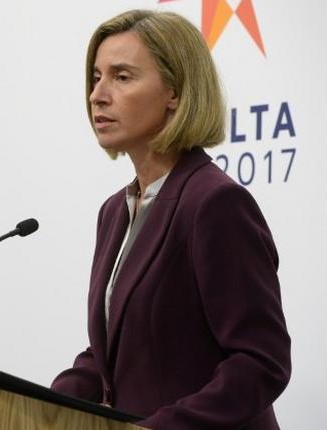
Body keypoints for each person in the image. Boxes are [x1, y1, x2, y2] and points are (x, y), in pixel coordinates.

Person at [50, 10, 290, 430]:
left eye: (122, 77)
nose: (98, 95)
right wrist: (27, 404)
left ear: (174, 93)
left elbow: (260, 361)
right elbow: (112, 358)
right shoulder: (115, 212)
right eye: (96, 77)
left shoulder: (215, 203)